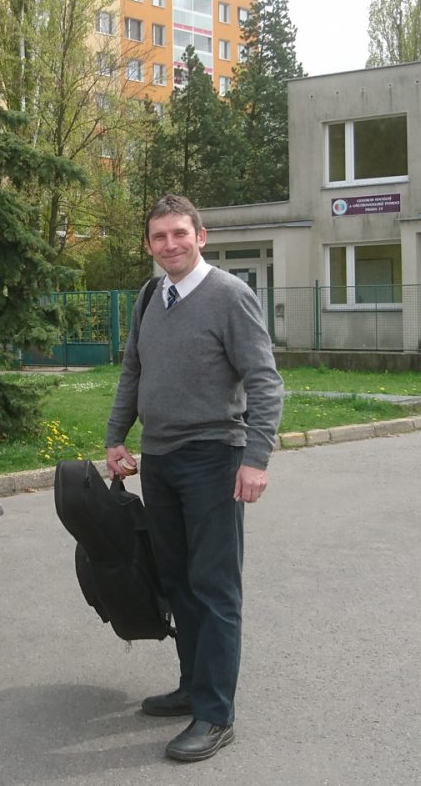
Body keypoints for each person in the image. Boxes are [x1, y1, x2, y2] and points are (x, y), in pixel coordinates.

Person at [105, 194, 283, 763]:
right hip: (159, 460)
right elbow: (133, 369)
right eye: (159, 236)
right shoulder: (149, 296)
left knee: (214, 588)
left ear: (201, 236)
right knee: (177, 581)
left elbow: (265, 380)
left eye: (179, 233)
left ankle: (216, 714)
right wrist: (116, 436)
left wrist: (256, 458)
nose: (170, 245)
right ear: (149, 244)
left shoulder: (230, 296)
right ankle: (192, 687)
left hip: (215, 458)